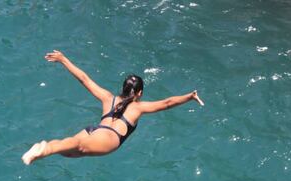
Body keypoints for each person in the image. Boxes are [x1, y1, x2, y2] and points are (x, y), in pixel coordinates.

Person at [22, 50, 204, 165]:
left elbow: (84, 79)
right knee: (77, 146)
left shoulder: (108, 98)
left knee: (69, 150)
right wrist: (189, 96)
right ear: (139, 93)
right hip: (109, 138)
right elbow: (167, 103)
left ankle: (43, 148)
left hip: (95, 130)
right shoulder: (137, 108)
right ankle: (44, 150)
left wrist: (64, 60)